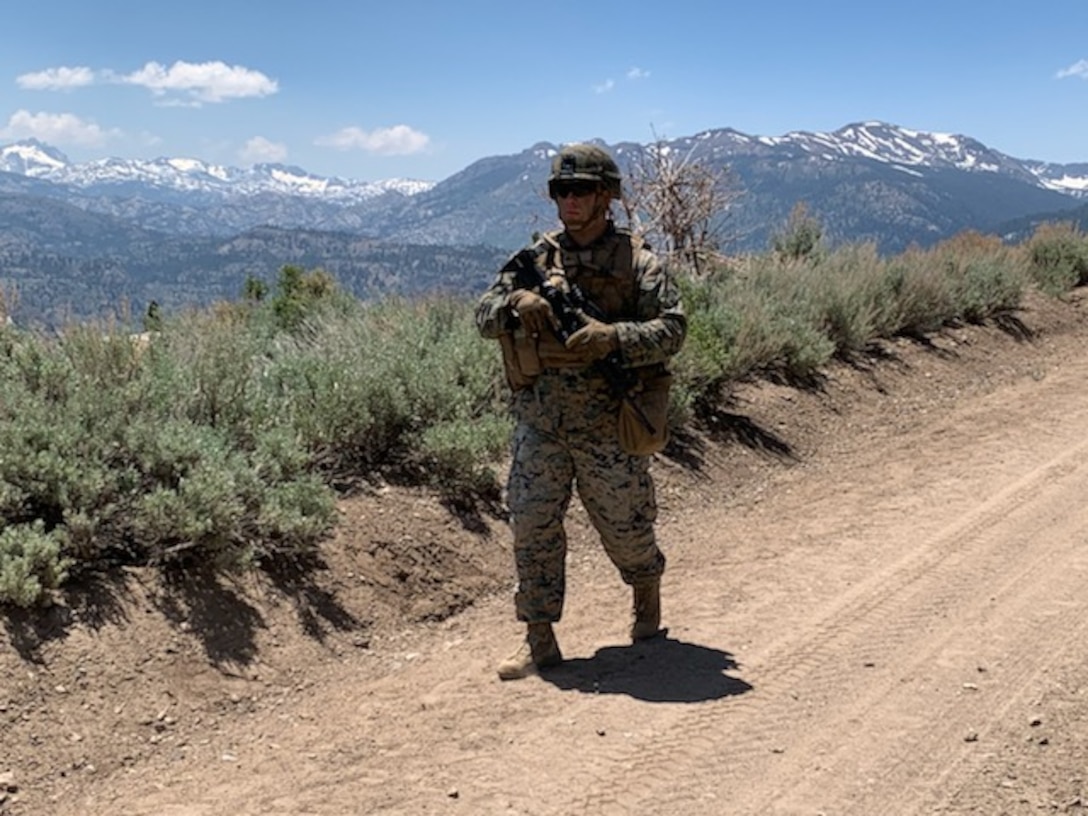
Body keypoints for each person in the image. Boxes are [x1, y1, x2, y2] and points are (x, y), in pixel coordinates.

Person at [475, 143, 687, 681]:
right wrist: (513, 305)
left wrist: (612, 338)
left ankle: (647, 602)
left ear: (606, 196)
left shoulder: (639, 263)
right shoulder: (536, 261)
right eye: (561, 191)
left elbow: (673, 329)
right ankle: (539, 638)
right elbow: (482, 314)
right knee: (533, 526)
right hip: (541, 422)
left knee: (626, 526)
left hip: (608, 423)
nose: (569, 201)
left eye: (581, 190)